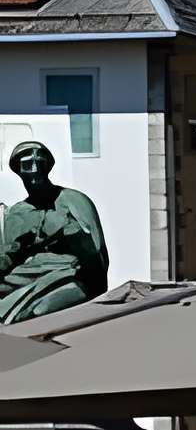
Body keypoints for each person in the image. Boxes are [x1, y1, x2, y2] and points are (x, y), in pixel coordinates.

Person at [0, 137, 109, 322]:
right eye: (27, 165)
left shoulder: (72, 200)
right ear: (18, 170)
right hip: (24, 278)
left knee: (37, 312)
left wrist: (70, 234)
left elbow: (96, 254)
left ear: (47, 166)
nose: (35, 170)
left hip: (70, 275)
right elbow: (5, 260)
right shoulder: (16, 214)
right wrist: (19, 246)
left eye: (40, 163)